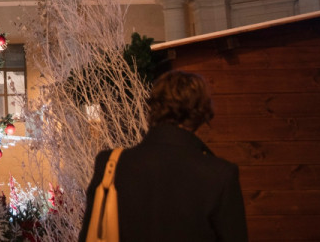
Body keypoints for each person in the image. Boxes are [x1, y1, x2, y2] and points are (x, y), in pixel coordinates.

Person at [78, 70, 249, 242]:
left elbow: (90, 235)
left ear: (153, 108)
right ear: (201, 113)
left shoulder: (110, 165)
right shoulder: (220, 175)